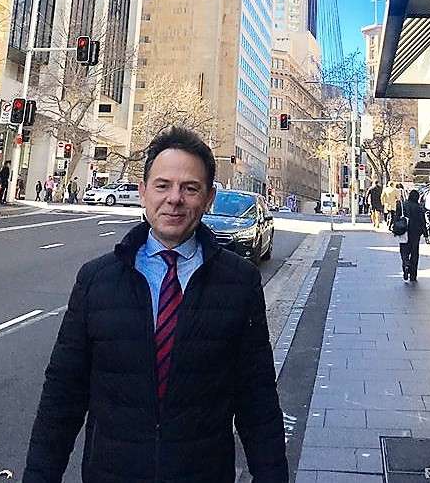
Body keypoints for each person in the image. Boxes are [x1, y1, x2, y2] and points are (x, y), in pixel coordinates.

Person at [24, 127, 287, 483]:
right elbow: (62, 396)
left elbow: (257, 398)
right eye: (162, 185)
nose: (174, 199)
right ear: (143, 191)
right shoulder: (96, 280)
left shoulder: (239, 282)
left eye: (190, 188)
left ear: (208, 198)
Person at [397, 189, 428, 281]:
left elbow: (397, 217)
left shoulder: (403, 205)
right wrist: (426, 234)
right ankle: (413, 275)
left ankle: (406, 263)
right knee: (414, 253)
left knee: (404, 250)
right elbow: (423, 221)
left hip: (404, 231)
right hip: (415, 233)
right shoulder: (419, 207)